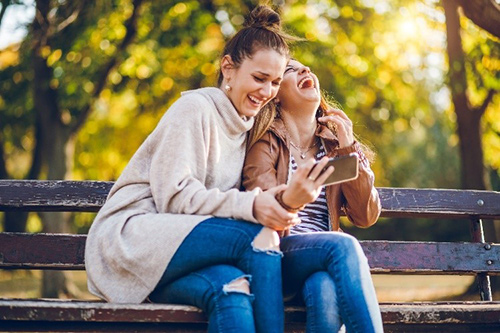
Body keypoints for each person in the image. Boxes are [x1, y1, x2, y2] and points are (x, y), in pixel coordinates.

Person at [85, 6, 298, 333]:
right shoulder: (194, 108)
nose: (267, 92)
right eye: (259, 78)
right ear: (228, 68)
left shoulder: (245, 127)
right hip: (133, 241)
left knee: (232, 290)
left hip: (175, 258)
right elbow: (175, 196)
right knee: (259, 235)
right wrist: (252, 206)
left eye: (274, 82)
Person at [243, 59, 384, 332]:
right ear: (275, 94)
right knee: (344, 245)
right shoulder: (266, 140)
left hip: (322, 261)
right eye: (290, 70)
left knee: (325, 289)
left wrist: (349, 148)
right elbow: (264, 206)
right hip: (279, 255)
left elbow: (365, 215)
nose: (305, 70)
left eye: (306, 67)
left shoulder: (333, 147)